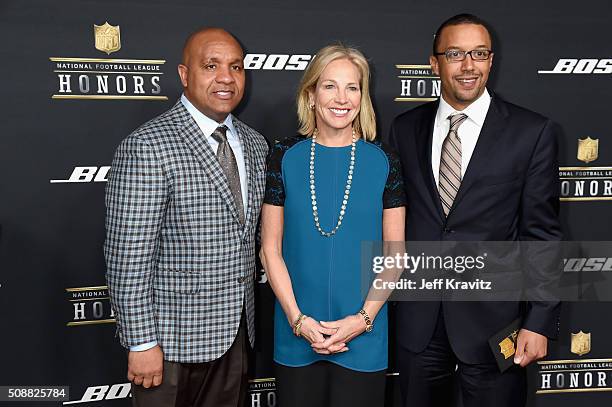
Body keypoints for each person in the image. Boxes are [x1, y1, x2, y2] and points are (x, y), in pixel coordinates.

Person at [388, 14, 562, 407]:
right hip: (420, 322)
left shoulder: (531, 132)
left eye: (478, 54)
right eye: (455, 54)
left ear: (491, 60)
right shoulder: (404, 128)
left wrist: (539, 321)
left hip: (496, 326)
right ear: (434, 63)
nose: (468, 66)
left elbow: (543, 235)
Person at [104, 28, 268, 407]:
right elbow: (127, 255)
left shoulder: (255, 143)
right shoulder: (147, 146)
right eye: (211, 66)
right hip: (169, 344)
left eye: (236, 67)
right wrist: (141, 341)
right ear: (184, 75)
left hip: (235, 335)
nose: (226, 77)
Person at [260, 44, 406, 407]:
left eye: (352, 87)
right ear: (311, 95)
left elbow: (395, 254)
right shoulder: (284, 155)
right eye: (330, 86)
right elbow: (270, 249)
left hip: (364, 333)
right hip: (296, 332)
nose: (342, 98)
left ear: (362, 96)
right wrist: (298, 320)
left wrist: (362, 320)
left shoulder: (384, 159)